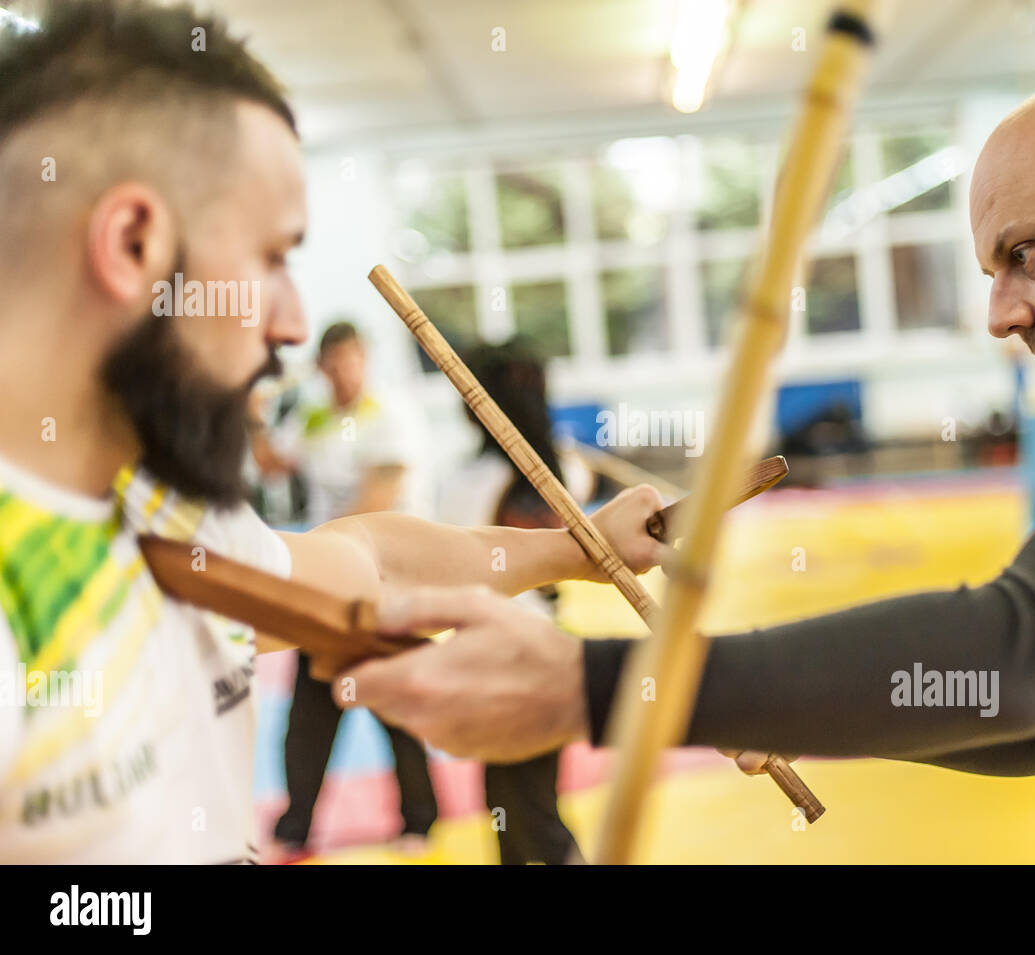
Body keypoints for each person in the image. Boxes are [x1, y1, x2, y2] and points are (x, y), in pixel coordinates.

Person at [341, 80, 1035, 865]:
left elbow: (1025, 653)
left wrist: (604, 684)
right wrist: (785, 697)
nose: (1002, 314)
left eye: (1023, 254)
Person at [0, 0, 666, 863]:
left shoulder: (167, 513)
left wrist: (582, 549)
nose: (291, 323)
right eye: (270, 258)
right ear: (132, 243)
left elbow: (374, 559)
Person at [251, 321, 437, 859]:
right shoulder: (314, 414)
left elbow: (377, 503)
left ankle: (419, 820)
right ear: (321, 365)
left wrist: (307, 552)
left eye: (349, 360)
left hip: (383, 581)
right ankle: (295, 826)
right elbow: (269, 462)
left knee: (392, 699)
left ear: (364, 358)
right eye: (330, 363)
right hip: (326, 582)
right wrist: (251, 415)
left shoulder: (390, 415)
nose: (340, 372)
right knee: (310, 704)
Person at [436, 338, 589, 865]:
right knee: (520, 805)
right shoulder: (565, 472)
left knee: (522, 810)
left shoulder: (468, 484)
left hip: (505, 658)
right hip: (535, 653)